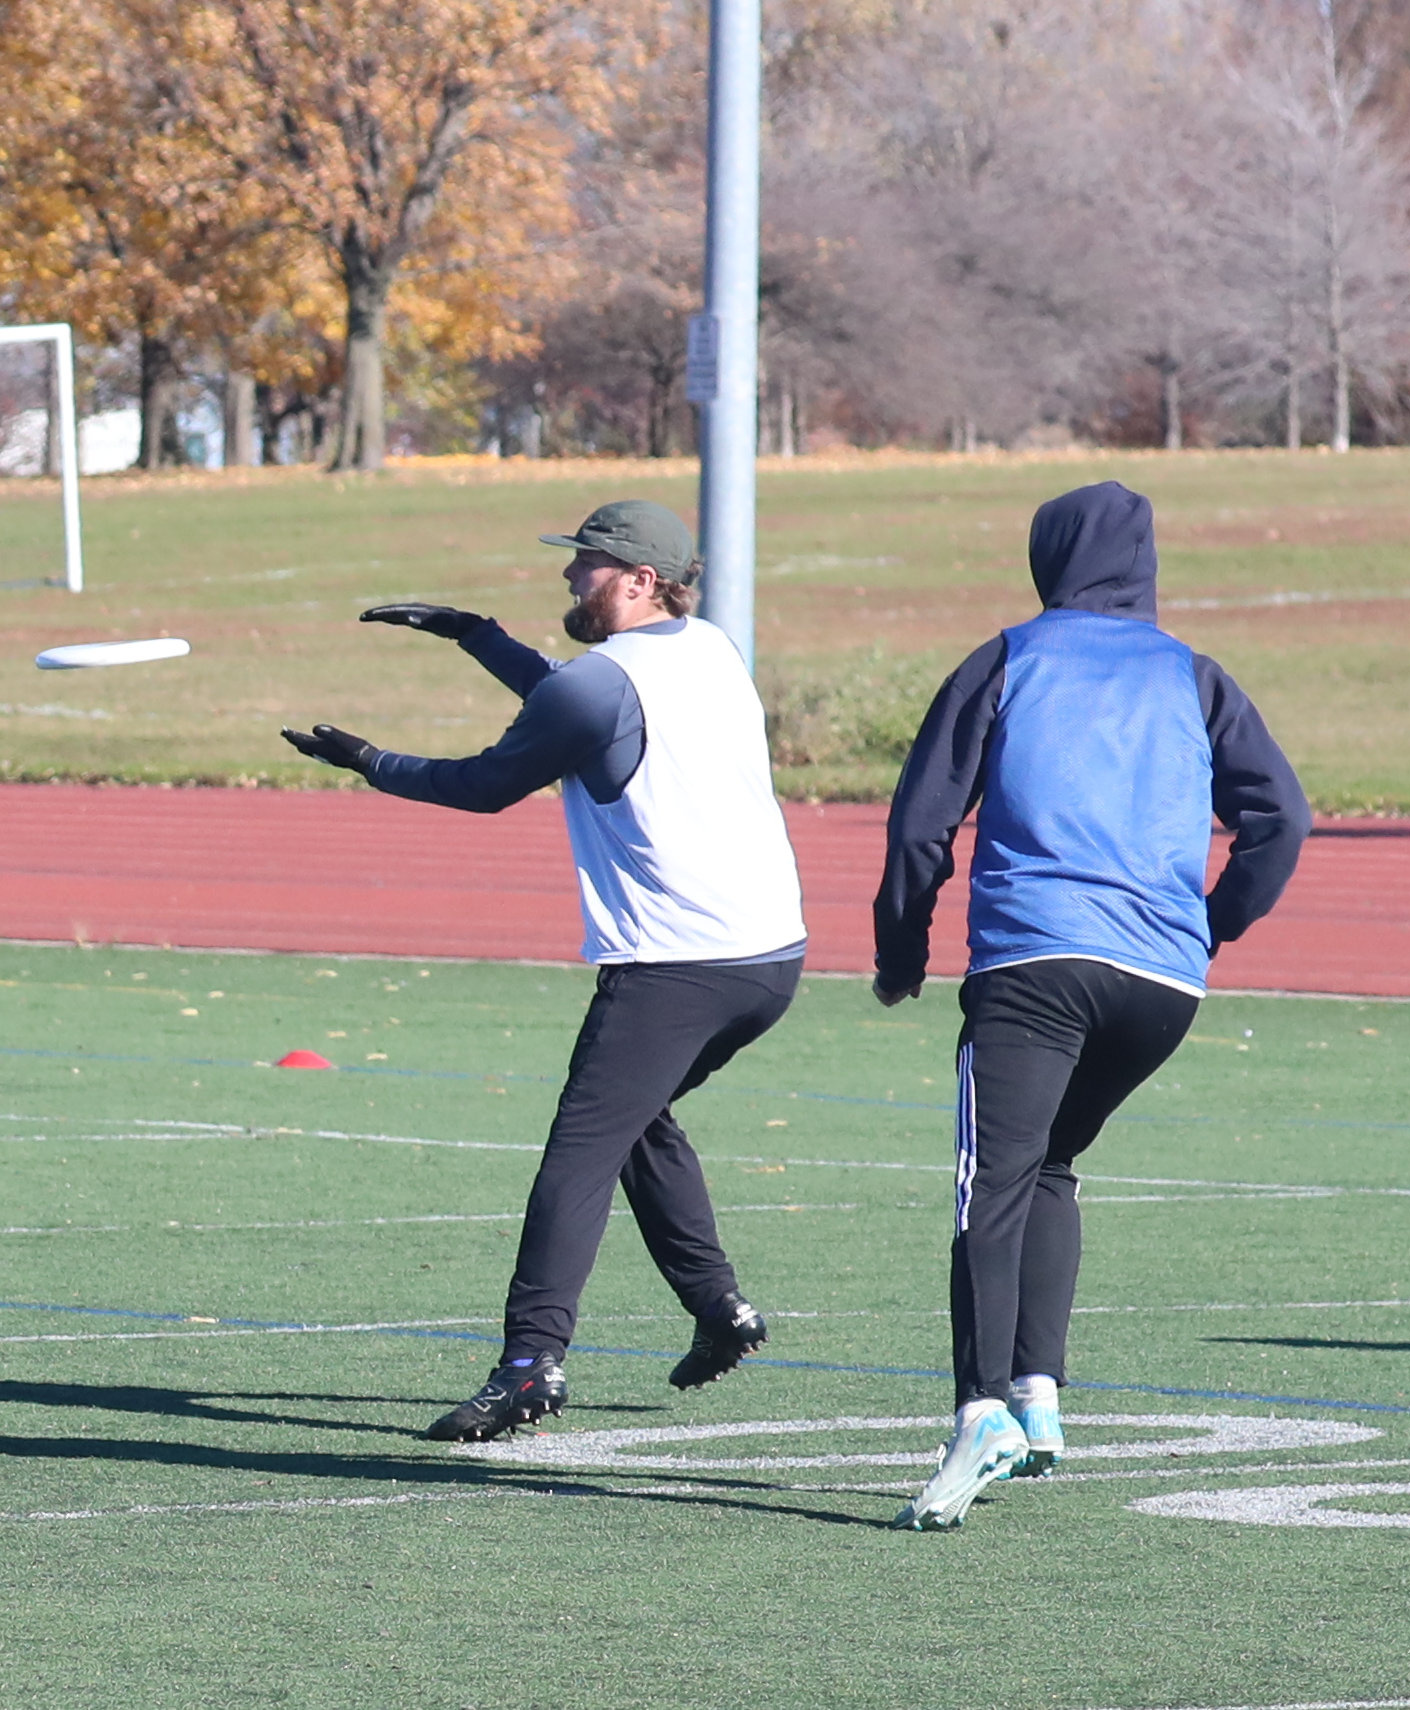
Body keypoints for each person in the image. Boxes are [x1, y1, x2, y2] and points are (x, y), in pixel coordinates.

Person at [282, 499, 807, 1442]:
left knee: (579, 1158)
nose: (570, 574)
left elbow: (485, 784)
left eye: (587, 563)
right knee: (637, 1121)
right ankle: (719, 1306)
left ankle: (530, 1364)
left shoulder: (602, 683)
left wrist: (368, 760)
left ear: (641, 580)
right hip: (769, 958)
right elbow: (569, 694)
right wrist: (476, 636)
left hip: (675, 965)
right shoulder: (710, 647)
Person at [872, 480, 1310, 1529]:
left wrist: (901, 949)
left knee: (990, 1181)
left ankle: (980, 1409)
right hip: (1162, 987)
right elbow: (1282, 818)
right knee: (1052, 1164)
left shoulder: (1007, 659)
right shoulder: (1194, 675)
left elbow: (921, 824)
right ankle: (1039, 1393)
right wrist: (1211, 923)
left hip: (1036, 965)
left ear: (1049, 559)